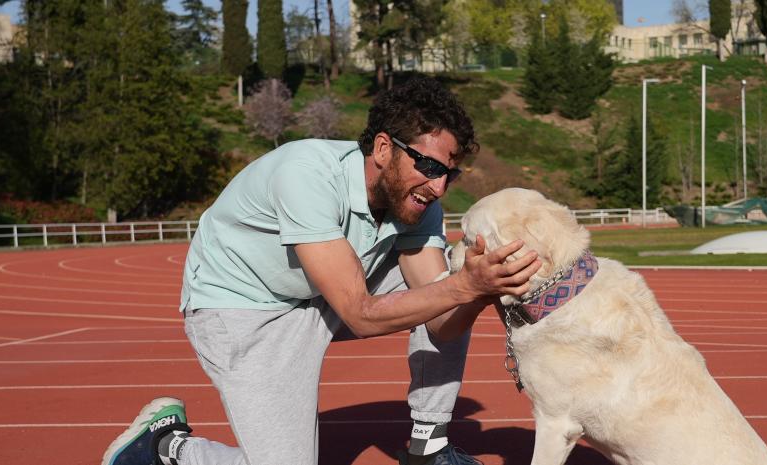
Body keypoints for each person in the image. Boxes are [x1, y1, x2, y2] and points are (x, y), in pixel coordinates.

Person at [101, 76, 540, 465]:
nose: (439, 186)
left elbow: (442, 322)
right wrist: (464, 287)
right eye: (428, 166)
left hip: (324, 291)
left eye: (450, 174)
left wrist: (474, 289)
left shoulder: (420, 203)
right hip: (245, 310)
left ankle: (428, 446)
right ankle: (165, 447)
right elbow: (360, 315)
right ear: (383, 148)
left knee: (449, 282)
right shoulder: (306, 175)